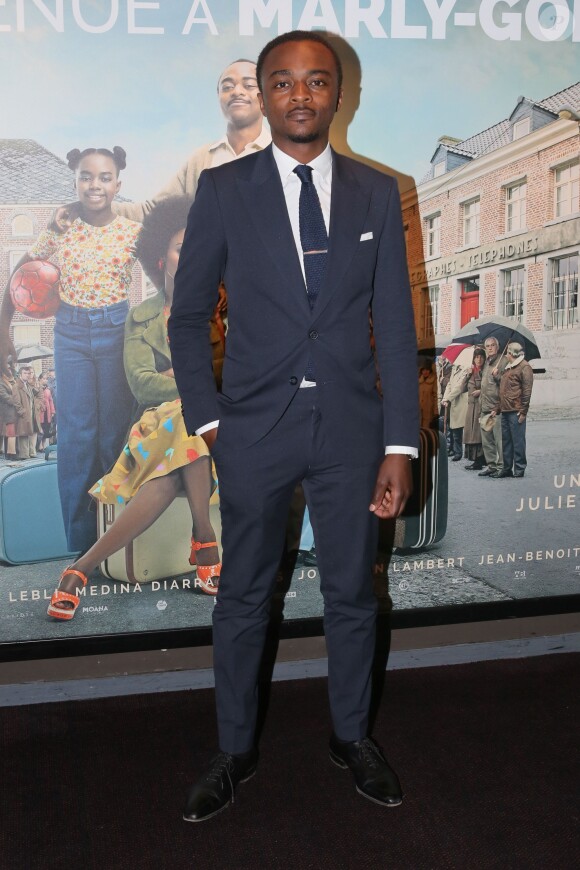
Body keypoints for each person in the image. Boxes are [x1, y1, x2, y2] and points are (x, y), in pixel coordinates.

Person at [169, 30, 419, 821]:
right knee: (244, 597)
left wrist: (400, 444)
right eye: (284, 82)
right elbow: (184, 319)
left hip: (352, 433)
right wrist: (211, 422)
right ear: (265, 94)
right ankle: (234, 749)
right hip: (253, 432)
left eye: (317, 81)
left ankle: (352, 738)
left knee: (352, 594)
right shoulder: (224, 189)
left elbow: (396, 323)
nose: (300, 95)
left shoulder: (380, 192)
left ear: (339, 94)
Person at [47, 197, 222, 620]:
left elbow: (236, 372)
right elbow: (140, 383)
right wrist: (196, 379)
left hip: (218, 425)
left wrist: (183, 378)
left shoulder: (223, 308)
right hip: (156, 427)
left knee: (186, 434)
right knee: (184, 429)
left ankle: (79, 570)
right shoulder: (140, 317)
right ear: (161, 257)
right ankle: (205, 539)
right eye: (182, 246)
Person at [0, 146, 140, 552]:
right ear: (75, 180)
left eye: (104, 177)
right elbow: (18, 276)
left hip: (117, 331)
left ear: (118, 184)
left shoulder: (132, 234)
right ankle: (81, 549)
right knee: (78, 438)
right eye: (85, 176)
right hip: (72, 333)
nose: (94, 184)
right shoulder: (60, 231)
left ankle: (116, 544)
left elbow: (174, 274)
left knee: (115, 435)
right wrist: (3, 330)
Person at [51, 60, 271, 230]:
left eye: (249, 85)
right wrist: (84, 207)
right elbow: (153, 211)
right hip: (217, 281)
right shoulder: (202, 158)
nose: (237, 91)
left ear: (266, 97)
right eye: (227, 86)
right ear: (219, 98)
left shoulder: (284, 155)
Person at [497, 342, 533, 478]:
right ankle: (507, 468)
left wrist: (523, 411)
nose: (505, 355)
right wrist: (498, 408)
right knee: (506, 441)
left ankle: (519, 468)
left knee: (518, 441)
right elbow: (503, 389)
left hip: (516, 410)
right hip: (505, 410)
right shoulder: (508, 368)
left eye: (507, 352)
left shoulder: (524, 367)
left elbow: (527, 391)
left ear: (511, 354)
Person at [477, 336, 507, 478]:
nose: (490, 348)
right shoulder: (487, 362)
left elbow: (506, 386)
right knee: (487, 440)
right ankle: (491, 466)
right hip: (485, 407)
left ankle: (502, 466)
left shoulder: (503, 361)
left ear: (498, 346)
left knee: (499, 440)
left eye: (492, 345)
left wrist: (498, 375)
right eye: (487, 346)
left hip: (496, 408)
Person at [462, 347, 486, 470]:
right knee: (471, 434)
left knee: (478, 435)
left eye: (481, 356)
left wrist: (480, 392)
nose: (479, 359)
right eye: (476, 357)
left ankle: (479, 461)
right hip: (471, 406)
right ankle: (474, 459)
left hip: (480, 406)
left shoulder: (485, 371)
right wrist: (467, 375)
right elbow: (462, 389)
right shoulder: (471, 372)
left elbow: (491, 388)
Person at [441, 361, 469, 462]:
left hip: (461, 402)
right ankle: (456, 451)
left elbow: (459, 388)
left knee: (458, 429)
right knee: (453, 428)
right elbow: (449, 384)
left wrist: (448, 398)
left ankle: (459, 452)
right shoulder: (454, 368)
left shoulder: (466, 368)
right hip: (453, 401)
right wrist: (445, 398)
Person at [13, 366, 36, 460]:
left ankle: (27, 454)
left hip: (29, 413)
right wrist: (23, 412)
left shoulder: (28, 385)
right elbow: (16, 402)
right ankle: (24, 455)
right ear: (20, 375)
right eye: (25, 373)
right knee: (23, 434)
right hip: (22, 414)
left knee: (27, 433)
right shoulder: (17, 386)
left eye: (28, 373)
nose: (27, 375)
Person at [37, 372, 55, 451]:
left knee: (46, 429)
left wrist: (52, 411)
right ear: (40, 379)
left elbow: (51, 400)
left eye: (46, 379)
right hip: (40, 410)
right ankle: (39, 445)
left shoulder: (48, 389)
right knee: (40, 428)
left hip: (47, 411)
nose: (45, 380)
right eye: (43, 378)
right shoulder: (37, 388)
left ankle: (43, 445)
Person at [418, 358, 438, 429]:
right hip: (419, 411)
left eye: (427, 369)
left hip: (429, 411)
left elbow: (436, 396)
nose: (425, 372)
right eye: (423, 370)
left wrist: (436, 411)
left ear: (430, 370)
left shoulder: (434, 380)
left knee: (427, 430)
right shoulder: (419, 381)